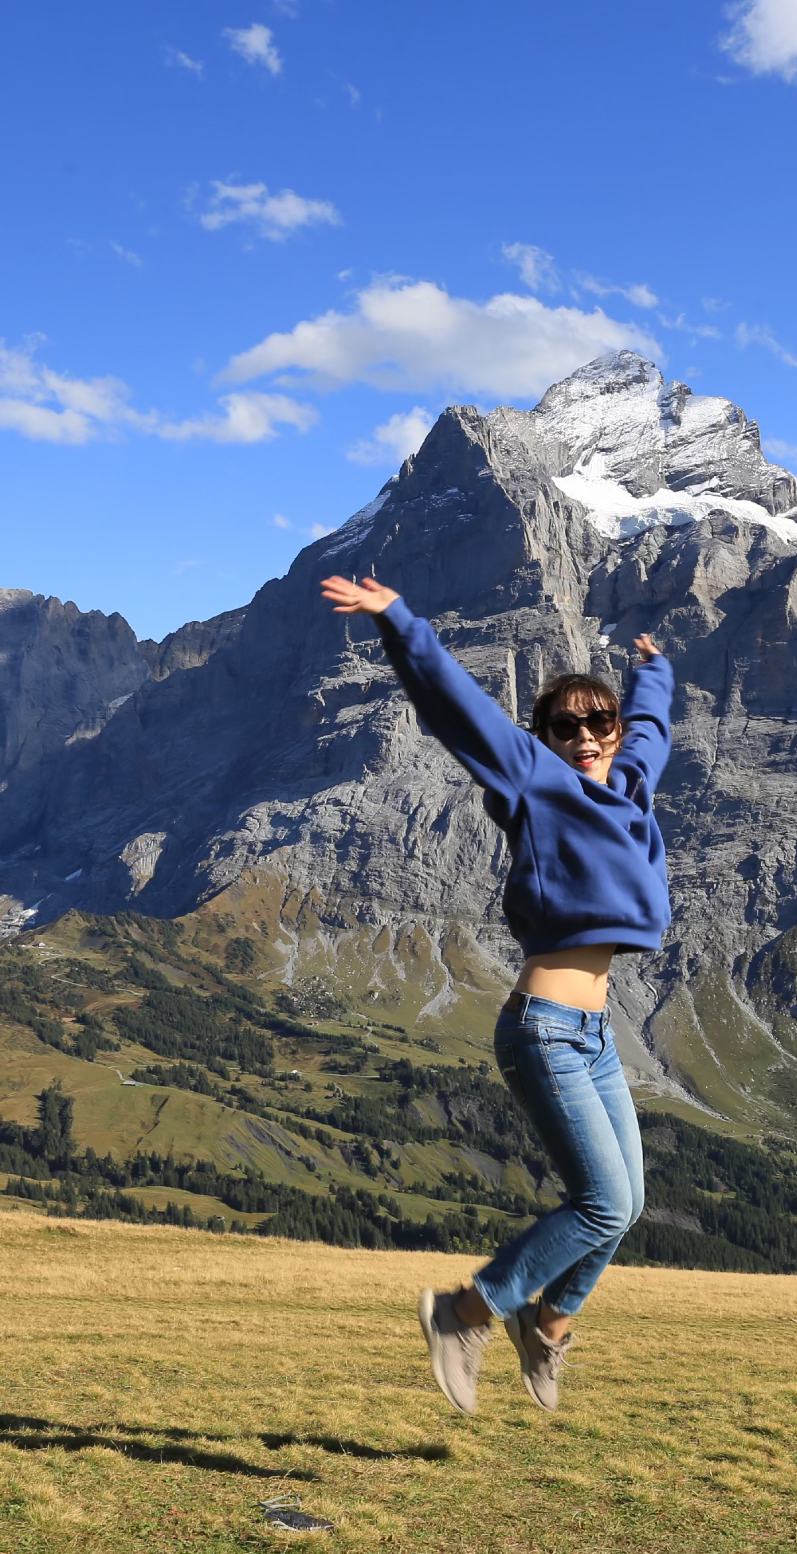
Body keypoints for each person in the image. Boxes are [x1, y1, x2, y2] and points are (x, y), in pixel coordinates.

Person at [318, 572, 673, 1414]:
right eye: (565, 726)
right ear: (542, 737)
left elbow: (653, 729)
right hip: (543, 1030)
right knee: (602, 1204)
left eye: (599, 723)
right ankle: (465, 1313)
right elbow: (458, 709)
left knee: (626, 1206)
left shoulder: (630, 787)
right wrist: (399, 620)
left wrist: (653, 671)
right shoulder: (535, 783)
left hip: (595, 1038)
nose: (585, 737)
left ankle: (547, 1326)